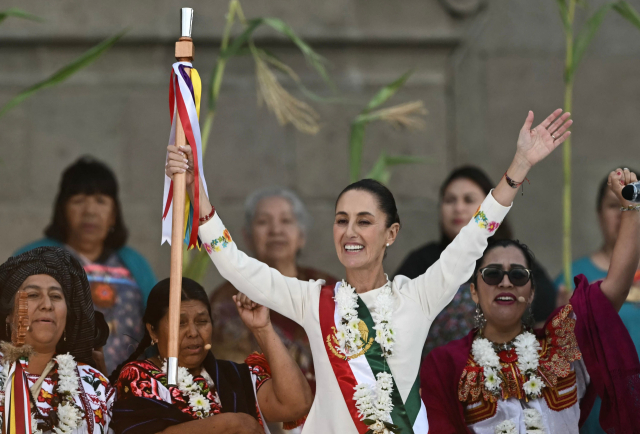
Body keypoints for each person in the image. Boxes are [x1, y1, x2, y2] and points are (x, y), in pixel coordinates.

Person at [165, 108, 572, 433]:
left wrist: (519, 164)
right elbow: (237, 266)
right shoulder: (312, 300)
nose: (350, 232)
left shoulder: (419, 295)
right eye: (341, 220)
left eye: (364, 221)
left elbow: (474, 236)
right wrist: (194, 189)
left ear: (391, 233)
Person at [420, 169, 640, 433]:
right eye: (491, 274)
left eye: (517, 274)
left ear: (532, 292)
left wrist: (631, 209)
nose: (505, 282)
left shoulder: (561, 345)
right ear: (474, 291)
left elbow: (614, 287)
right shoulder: (446, 362)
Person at [110, 277, 313, 434]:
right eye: (180, 323)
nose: (193, 332)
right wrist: (229, 424)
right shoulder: (139, 376)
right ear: (153, 331)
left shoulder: (234, 376)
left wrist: (262, 328)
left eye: (201, 321)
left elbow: (296, 404)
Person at [15, 157, 157, 373]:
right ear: (62, 210)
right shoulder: (34, 257)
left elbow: (158, 323)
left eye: (101, 201)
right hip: (45, 387)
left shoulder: (134, 265)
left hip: (129, 392)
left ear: (114, 215)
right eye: (78, 200)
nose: (90, 210)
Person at [395, 166, 557, 356]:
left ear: (490, 209)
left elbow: (544, 300)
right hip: (434, 376)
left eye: (469, 200)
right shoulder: (423, 260)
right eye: (449, 200)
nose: (458, 208)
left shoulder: (511, 257)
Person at [210, 187, 337, 391]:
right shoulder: (226, 300)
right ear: (247, 236)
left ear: (301, 235)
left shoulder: (328, 289)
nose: (275, 230)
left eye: (286, 221)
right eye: (263, 222)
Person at [554, 168, 640, 434]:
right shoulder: (572, 279)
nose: (621, 212)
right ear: (598, 213)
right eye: (614, 205)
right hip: (596, 411)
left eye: (629, 204)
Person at [0, 247, 115, 433]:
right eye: (33, 295)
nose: (47, 305)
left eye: (55, 296)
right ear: (8, 314)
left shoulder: (96, 385)